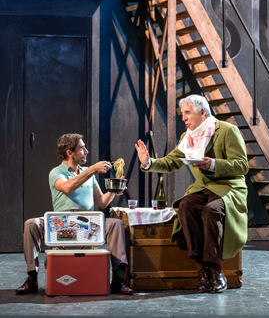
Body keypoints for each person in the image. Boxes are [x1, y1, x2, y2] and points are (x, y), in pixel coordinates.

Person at [135, 94, 248, 294]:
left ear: (202, 112)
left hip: (228, 187)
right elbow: (171, 162)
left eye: (187, 113)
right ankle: (202, 271)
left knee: (211, 210)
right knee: (186, 206)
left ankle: (217, 271)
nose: (184, 118)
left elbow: (242, 166)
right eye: (182, 114)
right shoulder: (187, 138)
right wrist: (148, 162)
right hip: (203, 188)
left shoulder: (227, 131)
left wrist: (212, 164)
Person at [16, 133, 133, 296]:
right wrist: (93, 169)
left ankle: (118, 278)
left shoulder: (88, 174)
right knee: (31, 224)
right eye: (82, 148)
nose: (86, 151)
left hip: (88, 223)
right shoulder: (56, 172)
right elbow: (67, 187)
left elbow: (102, 202)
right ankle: (32, 277)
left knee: (115, 224)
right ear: (70, 152)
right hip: (60, 223)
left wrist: (114, 190)